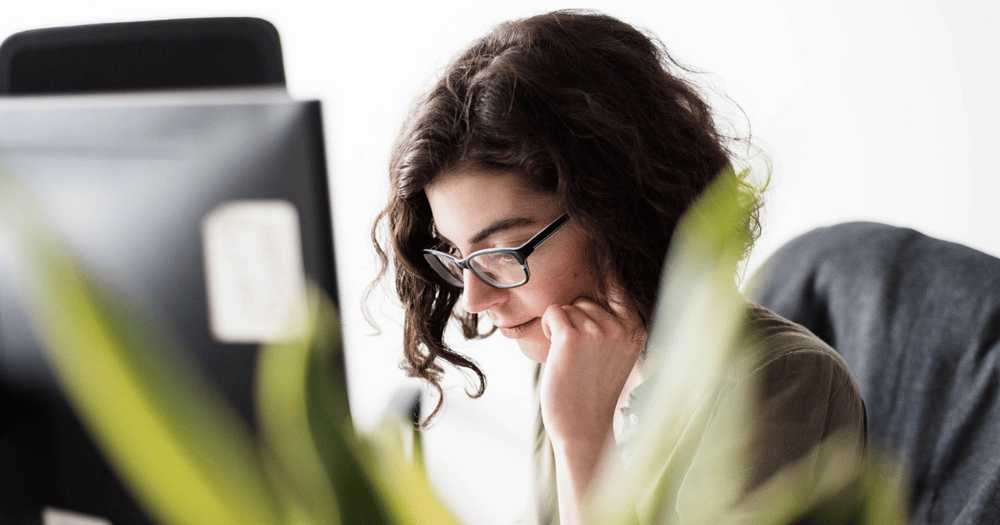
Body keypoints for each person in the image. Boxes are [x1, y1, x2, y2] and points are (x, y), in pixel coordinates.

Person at [371, 9, 866, 524]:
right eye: (457, 256)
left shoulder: (779, 381)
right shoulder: (572, 356)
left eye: (503, 251)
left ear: (617, 215)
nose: (474, 299)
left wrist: (583, 440)